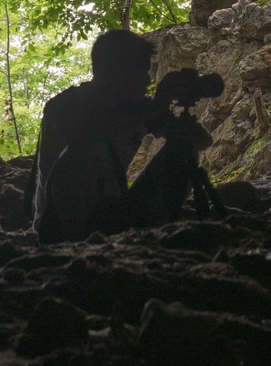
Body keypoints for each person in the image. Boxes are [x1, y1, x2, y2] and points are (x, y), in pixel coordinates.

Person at [25, 29, 215, 244]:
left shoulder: (141, 108)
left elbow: (202, 142)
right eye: (140, 71)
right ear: (113, 72)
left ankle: (152, 236)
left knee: (181, 147)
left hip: (116, 213)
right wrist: (156, 106)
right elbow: (94, 131)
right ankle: (78, 246)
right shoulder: (64, 106)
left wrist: (186, 130)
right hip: (60, 226)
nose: (147, 80)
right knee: (84, 149)